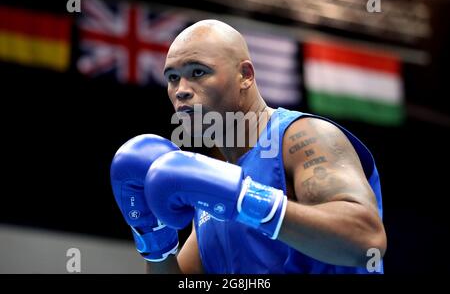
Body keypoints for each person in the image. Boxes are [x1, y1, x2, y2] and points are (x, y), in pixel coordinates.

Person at [110, 20, 386, 274]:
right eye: (172, 77)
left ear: (245, 75)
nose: (181, 89)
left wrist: (246, 201)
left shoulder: (302, 137)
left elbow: (367, 241)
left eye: (197, 72)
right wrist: (154, 242)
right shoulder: (212, 187)